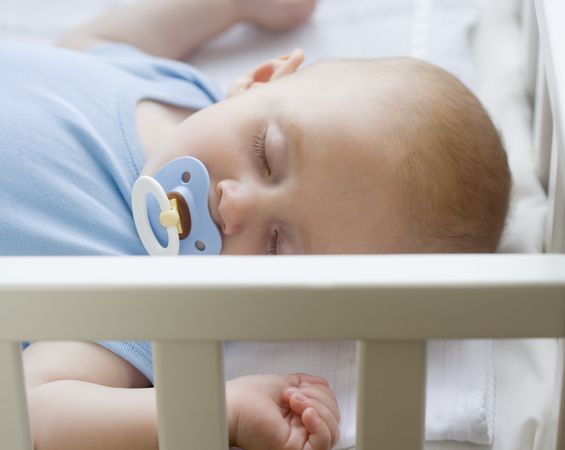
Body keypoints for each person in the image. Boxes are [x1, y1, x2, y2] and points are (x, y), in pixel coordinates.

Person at [1, 0, 511, 449]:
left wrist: (221, 410)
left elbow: (30, 411)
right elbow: (91, 44)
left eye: (276, 246)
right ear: (261, 78)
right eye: (266, 154)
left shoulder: (145, 302)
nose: (234, 205)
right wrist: (227, 7)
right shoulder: (176, 87)